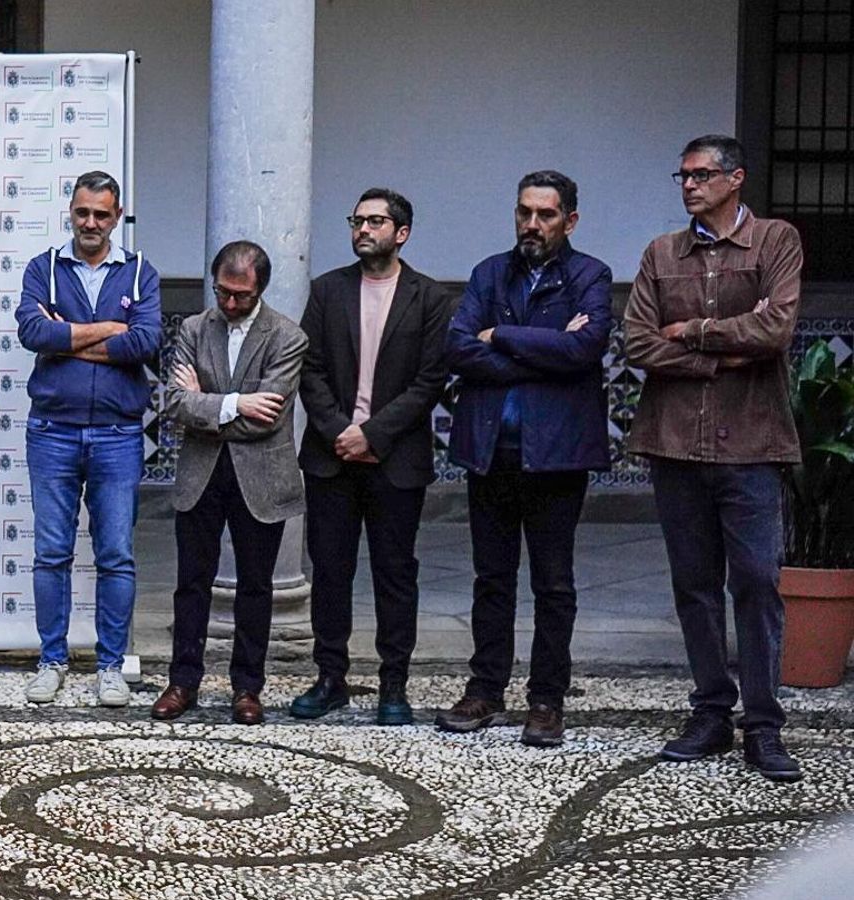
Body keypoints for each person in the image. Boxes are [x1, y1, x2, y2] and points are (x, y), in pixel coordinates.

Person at [623, 135, 804, 782]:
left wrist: (693, 331)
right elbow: (638, 342)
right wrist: (722, 353)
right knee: (694, 587)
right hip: (675, 444)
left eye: (702, 175)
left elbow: (776, 329)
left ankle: (764, 726)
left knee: (755, 582)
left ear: (736, 179)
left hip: (751, 444)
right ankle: (710, 713)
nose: (689, 185)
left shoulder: (775, 241)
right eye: (683, 175)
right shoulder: (661, 253)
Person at [436, 171, 613, 746]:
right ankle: (485, 689)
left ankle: (546, 700)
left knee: (553, 583)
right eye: (524, 213)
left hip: (556, 457)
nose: (532, 225)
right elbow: (457, 346)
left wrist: (503, 337)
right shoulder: (491, 272)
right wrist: (545, 350)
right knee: (491, 579)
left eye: (546, 214)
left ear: (570, 221)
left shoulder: (590, 275)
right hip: (491, 452)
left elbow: (585, 349)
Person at [292, 188, 452, 725]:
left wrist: (372, 434)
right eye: (357, 220)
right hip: (331, 457)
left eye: (375, 221)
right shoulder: (326, 291)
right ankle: (330, 677)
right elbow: (307, 370)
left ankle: (393, 684)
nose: (363, 229)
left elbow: (429, 381)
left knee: (394, 573)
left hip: (395, 459)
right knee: (330, 572)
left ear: (401, 233)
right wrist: (341, 430)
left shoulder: (429, 298)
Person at [15, 170, 162, 707]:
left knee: (116, 554)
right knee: (51, 552)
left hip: (119, 434)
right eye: (83, 212)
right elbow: (33, 333)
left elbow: (146, 341)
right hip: (52, 431)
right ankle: (51, 660)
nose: (91, 223)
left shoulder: (140, 270)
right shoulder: (44, 268)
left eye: (102, 214)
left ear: (117, 216)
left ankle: (110, 667)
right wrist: (108, 330)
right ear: (71, 212)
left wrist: (70, 336)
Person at [152, 241, 307, 726]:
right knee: (191, 583)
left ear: (260, 288)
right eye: (223, 292)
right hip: (201, 474)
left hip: (261, 477)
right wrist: (238, 403)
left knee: (256, 587)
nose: (231, 303)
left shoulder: (287, 336)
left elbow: (270, 416)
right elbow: (175, 404)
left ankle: (247, 688)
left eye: (241, 295)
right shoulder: (194, 329)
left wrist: (211, 404)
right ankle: (183, 682)